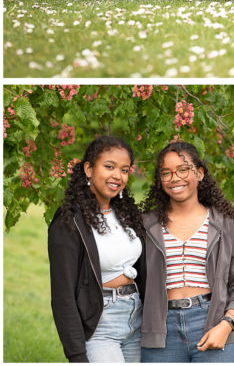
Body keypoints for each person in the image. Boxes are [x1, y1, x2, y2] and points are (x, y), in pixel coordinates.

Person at [141, 141, 234, 362]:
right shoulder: (146, 226)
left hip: (212, 323)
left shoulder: (224, 225)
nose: (175, 178)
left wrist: (227, 324)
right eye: (166, 173)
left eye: (183, 170)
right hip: (160, 331)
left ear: (200, 173)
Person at [48, 135, 146, 362]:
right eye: (109, 167)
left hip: (136, 317)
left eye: (124, 170)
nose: (117, 176)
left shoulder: (127, 214)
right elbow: (63, 295)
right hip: (100, 324)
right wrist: (76, 354)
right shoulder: (69, 221)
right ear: (89, 169)